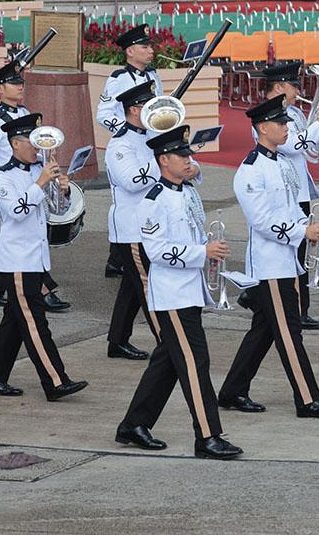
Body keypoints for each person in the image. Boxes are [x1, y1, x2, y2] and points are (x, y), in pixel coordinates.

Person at [114, 125, 242, 459]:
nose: (189, 161)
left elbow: (193, 232)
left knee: (168, 362)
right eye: (182, 156)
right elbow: (156, 253)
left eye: (189, 156)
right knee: (194, 362)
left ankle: (134, 424)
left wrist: (207, 249)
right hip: (171, 295)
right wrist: (203, 254)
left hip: (189, 290)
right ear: (164, 159)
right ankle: (208, 435)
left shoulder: (187, 193)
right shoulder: (153, 201)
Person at [218, 95, 319, 419]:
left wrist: (307, 225)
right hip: (269, 264)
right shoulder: (250, 172)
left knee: (264, 330)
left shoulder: (284, 163)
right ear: (261, 127)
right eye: (280, 123)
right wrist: (303, 232)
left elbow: (289, 209)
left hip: (287, 260)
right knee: (289, 331)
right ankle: (307, 399)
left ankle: (233, 390)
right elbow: (261, 221)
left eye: (286, 122)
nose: (286, 127)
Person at [0, 112, 87, 401]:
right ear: (15, 143)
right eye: (31, 140)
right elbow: (17, 210)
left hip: (35, 258)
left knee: (14, 321)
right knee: (34, 321)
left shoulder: (38, 170)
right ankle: (55, 380)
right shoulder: (1, 175)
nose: (38, 146)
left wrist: (61, 190)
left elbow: (57, 211)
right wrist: (40, 183)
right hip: (16, 261)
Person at [236, 62, 319, 330]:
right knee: (291, 249)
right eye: (293, 86)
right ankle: (294, 309)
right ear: (279, 87)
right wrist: (318, 124)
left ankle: (275, 301)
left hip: (298, 189)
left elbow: (310, 151)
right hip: (278, 192)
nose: (298, 91)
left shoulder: (293, 112)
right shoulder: (266, 116)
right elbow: (293, 145)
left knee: (300, 252)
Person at [0, 64, 69, 312]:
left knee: (15, 236)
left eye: (21, 83)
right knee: (19, 231)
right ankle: (43, 289)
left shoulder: (26, 112)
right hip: (8, 182)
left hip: (30, 177)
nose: (21, 87)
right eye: (14, 83)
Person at [105, 81, 169, 362]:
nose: (153, 110)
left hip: (150, 222)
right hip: (132, 228)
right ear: (133, 109)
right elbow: (133, 181)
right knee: (147, 285)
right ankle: (167, 343)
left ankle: (117, 341)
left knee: (132, 287)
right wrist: (163, 159)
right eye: (147, 106)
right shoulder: (120, 143)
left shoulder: (151, 135)